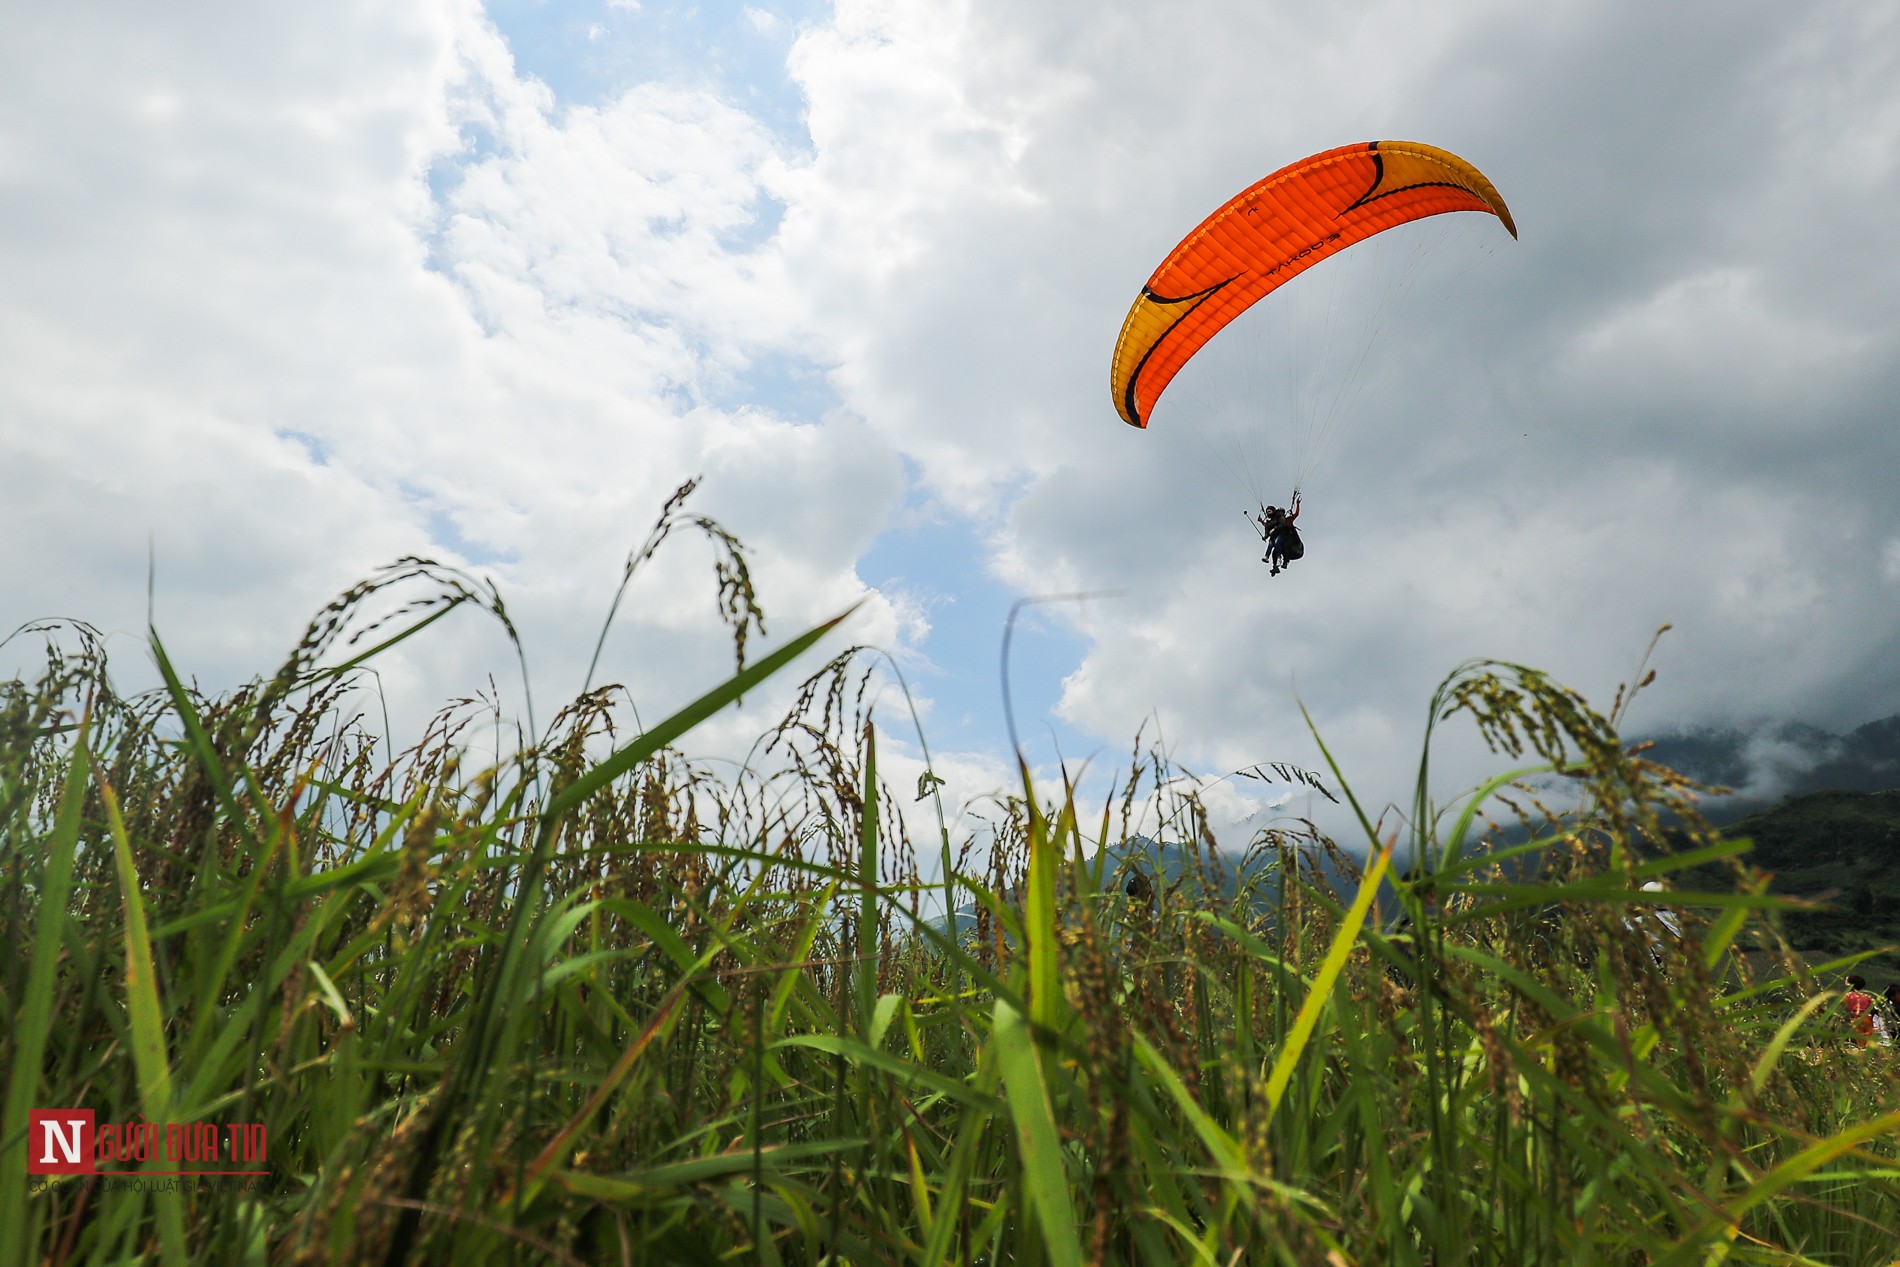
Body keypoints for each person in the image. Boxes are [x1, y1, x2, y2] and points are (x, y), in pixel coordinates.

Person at [1253, 495, 1304, 575]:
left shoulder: (1288, 519)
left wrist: (1297, 504)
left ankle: (1285, 562)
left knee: (1285, 545)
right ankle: (1275, 567)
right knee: (1274, 551)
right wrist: (1262, 522)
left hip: (1289, 537)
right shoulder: (1277, 520)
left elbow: (1296, 514)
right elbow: (1268, 525)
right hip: (1281, 537)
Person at [1843, 974, 1876, 1050]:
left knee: (1860, 1039)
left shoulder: (1848, 995)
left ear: (1850, 984)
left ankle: (1862, 1053)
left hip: (1856, 1018)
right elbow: (1872, 1009)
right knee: (1868, 1038)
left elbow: (1846, 1007)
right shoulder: (1867, 996)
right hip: (1867, 1018)